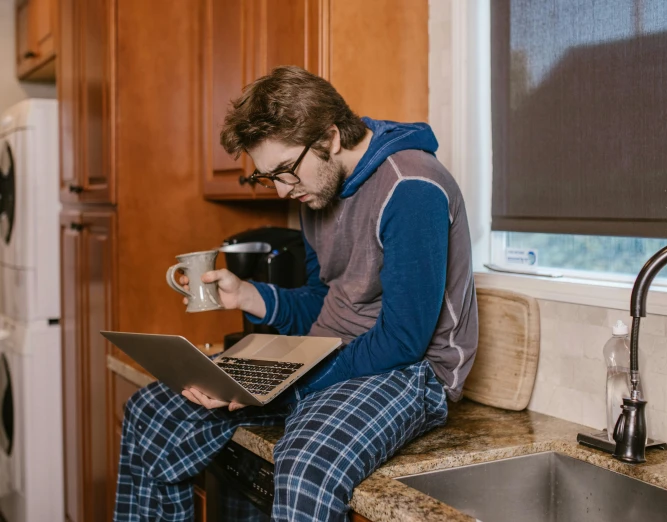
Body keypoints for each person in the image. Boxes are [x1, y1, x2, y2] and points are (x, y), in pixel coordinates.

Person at [114, 65, 478, 522]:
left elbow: (404, 341)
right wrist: (249, 295)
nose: (284, 191)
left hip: (413, 373)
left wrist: (281, 384)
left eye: (285, 170)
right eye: (269, 177)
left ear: (331, 137)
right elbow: (324, 305)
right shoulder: (316, 190)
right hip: (328, 353)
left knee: (307, 463)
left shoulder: (411, 186)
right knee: (153, 413)